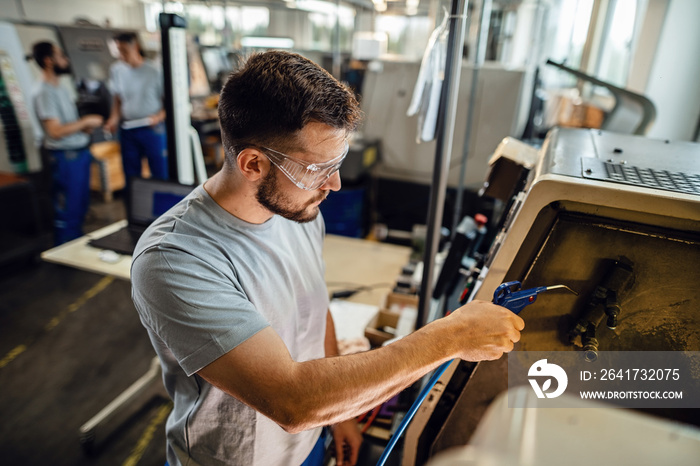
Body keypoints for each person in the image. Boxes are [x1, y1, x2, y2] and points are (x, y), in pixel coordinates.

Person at [130, 51, 524, 466]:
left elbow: (315, 311)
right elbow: (293, 402)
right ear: (253, 164)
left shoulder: (297, 211)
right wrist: (450, 337)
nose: (333, 184)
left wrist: (342, 417)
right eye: (318, 169)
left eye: (337, 163)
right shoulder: (175, 259)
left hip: (310, 442)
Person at [31, 41, 104, 244]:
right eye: (60, 55)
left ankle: (76, 244)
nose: (65, 60)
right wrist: (85, 122)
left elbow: (66, 124)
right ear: (48, 60)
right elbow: (54, 131)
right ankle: (66, 250)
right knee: (68, 208)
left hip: (78, 153)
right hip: (65, 158)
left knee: (80, 205)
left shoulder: (60, 88)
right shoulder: (44, 91)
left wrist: (84, 127)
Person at [104, 32, 168, 182]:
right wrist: (113, 119)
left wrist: (158, 117)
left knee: (159, 173)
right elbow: (117, 100)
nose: (121, 55)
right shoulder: (116, 70)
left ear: (136, 47)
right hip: (128, 130)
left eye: (124, 50)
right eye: (118, 51)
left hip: (152, 129)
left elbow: (168, 105)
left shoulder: (154, 71)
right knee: (131, 176)